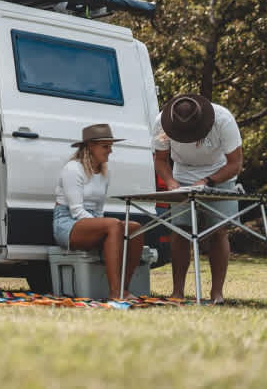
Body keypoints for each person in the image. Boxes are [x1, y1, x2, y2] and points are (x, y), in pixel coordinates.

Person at [153, 93, 243, 304]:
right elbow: (161, 160)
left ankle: (217, 293)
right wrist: (171, 182)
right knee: (180, 230)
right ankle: (177, 292)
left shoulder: (223, 120)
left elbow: (235, 163)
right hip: (182, 175)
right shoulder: (162, 122)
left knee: (218, 231)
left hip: (220, 173)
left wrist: (208, 181)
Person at [53, 123, 144, 300]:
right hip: (67, 223)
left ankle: (124, 289)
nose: (110, 151)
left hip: (90, 221)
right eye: (105, 146)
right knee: (114, 225)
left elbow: (99, 210)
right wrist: (107, 228)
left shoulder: (104, 172)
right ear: (90, 146)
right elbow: (76, 211)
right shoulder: (73, 169)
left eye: (110, 146)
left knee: (136, 228)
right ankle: (115, 292)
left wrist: (107, 229)